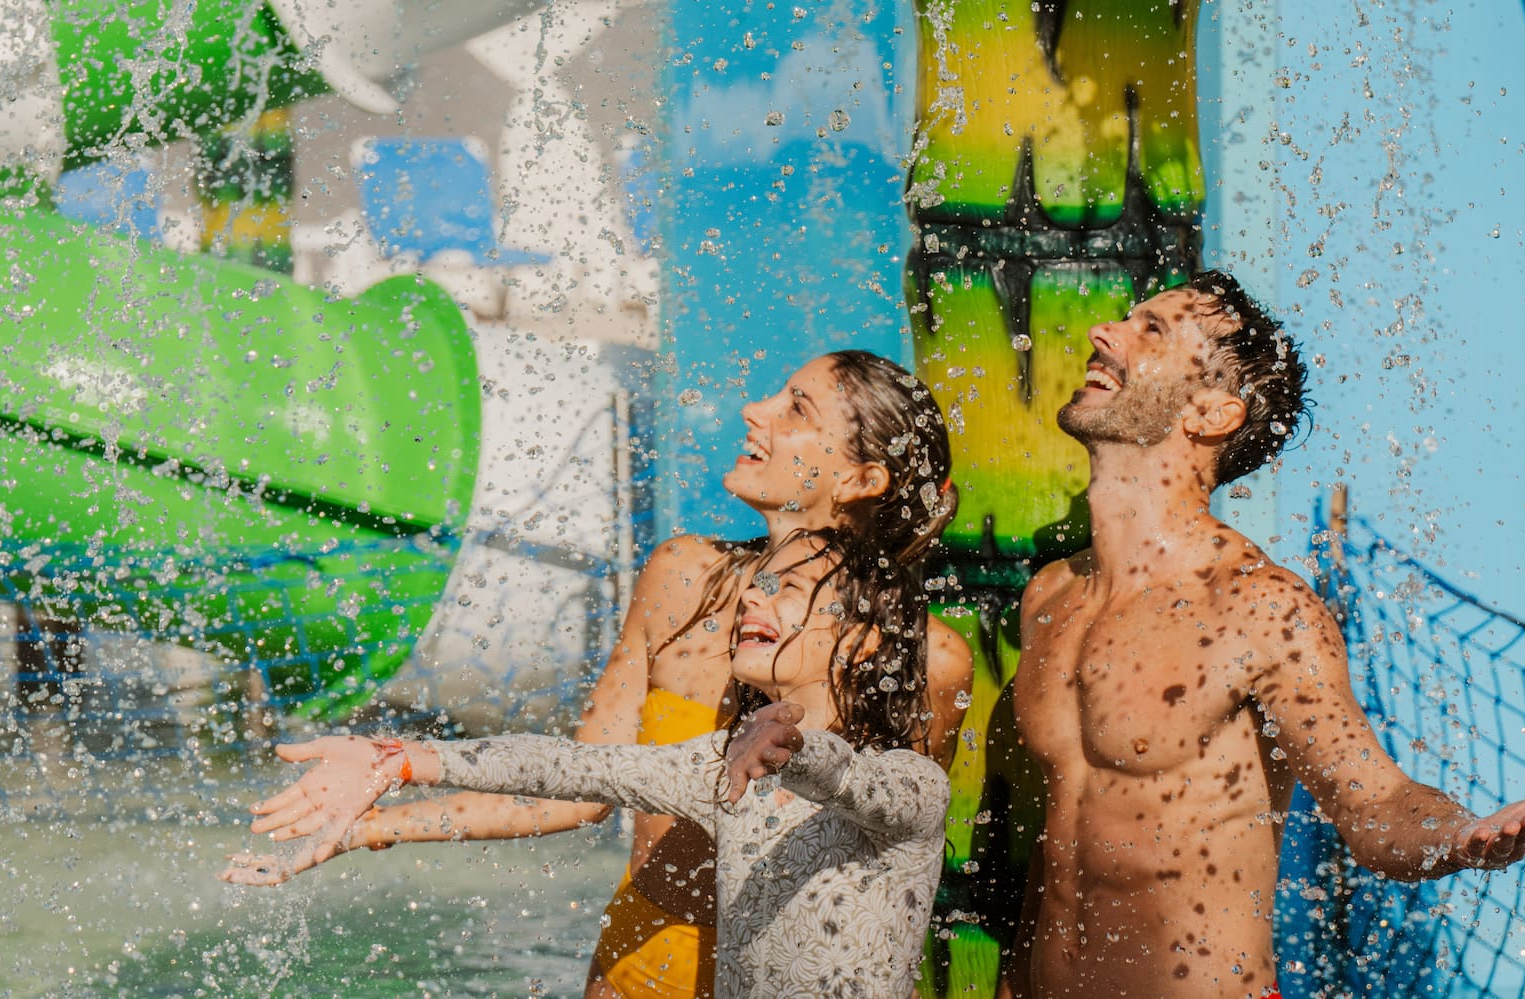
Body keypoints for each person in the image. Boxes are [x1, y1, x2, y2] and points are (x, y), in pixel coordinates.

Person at [220, 349, 972, 999]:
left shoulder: (924, 659)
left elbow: (900, 869)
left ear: (863, 475)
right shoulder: (683, 576)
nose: (755, 409)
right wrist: (375, 818)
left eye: (796, 407)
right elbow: (575, 784)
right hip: (643, 968)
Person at [1001, 271, 1525, 998]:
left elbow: (1375, 804)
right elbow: (1056, 854)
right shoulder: (1052, 596)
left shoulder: (1260, 607)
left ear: (1213, 413)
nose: (1105, 333)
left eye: (1149, 330)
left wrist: (1460, 835)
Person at [224, 530, 952, 998]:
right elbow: (570, 768)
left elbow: (865, 786)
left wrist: (798, 749)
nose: (755, 595)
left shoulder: (911, 788)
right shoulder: (722, 768)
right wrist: (402, 758)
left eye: (788, 589)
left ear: (859, 643)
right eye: (761, 582)